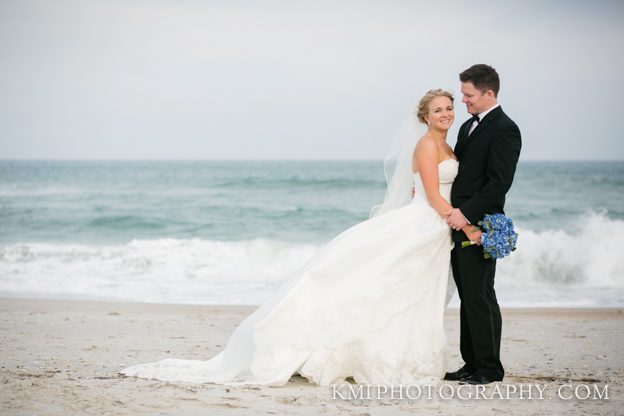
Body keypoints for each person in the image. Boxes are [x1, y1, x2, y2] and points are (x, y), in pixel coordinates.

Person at [121, 89, 474, 386]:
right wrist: (466, 225)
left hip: (432, 229)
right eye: (437, 110)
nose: (445, 113)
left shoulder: (447, 144)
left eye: (449, 108)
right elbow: (434, 194)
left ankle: (403, 353)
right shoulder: (428, 146)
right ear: (425, 117)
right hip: (422, 222)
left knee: (410, 293)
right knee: (388, 287)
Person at [444, 64, 522, 385]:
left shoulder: (506, 129)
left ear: (489, 93)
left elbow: (498, 184)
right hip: (458, 222)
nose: (464, 101)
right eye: (463, 94)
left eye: (469, 95)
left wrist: (465, 212)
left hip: (480, 225)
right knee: (467, 295)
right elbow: (460, 174)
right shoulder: (467, 127)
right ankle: (471, 363)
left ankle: (490, 368)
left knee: (481, 295)